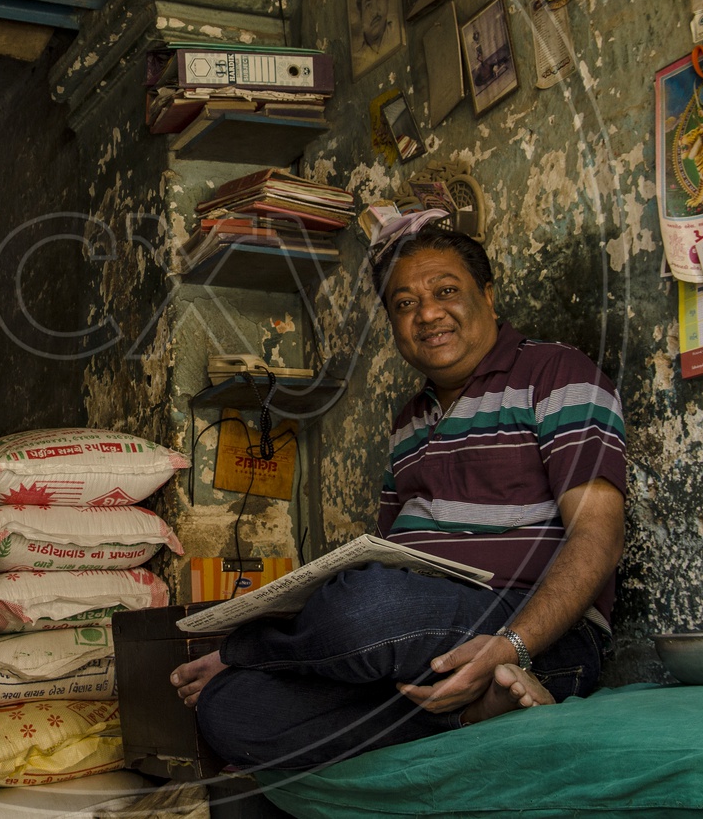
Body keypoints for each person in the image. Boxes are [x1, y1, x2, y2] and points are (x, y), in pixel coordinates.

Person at [171, 226, 626, 769]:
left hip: (538, 628)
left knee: (369, 607)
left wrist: (511, 646)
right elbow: (393, 559)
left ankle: (250, 652)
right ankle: (468, 712)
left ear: (487, 294)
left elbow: (599, 535)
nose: (427, 314)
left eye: (445, 291)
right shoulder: (409, 422)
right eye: (405, 304)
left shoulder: (556, 373)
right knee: (230, 711)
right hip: (417, 637)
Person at [354, 0, 395, 66]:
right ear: (361, 12)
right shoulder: (357, 61)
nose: (376, 11)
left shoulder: (396, 35)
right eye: (368, 5)